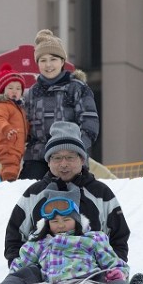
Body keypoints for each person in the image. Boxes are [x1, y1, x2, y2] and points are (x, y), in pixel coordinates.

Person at [0, 121, 143, 284]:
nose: (63, 164)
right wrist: (21, 264)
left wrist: (113, 267)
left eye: (70, 157)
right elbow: (15, 236)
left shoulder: (101, 194)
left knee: (112, 279)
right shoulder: (34, 194)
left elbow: (119, 236)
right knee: (24, 277)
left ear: (82, 159)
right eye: (57, 158)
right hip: (44, 272)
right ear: (48, 162)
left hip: (91, 271)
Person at [0, 188, 135, 284]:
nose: (60, 225)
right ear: (48, 224)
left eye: (66, 220)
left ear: (77, 220)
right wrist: (12, 279)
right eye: (54, 221)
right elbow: (21, 263)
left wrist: (118, 273)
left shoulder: (91, 239)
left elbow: (113, 261)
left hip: (83, 283)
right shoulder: (41, 242)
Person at [19, 28, 98, 180]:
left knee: (72, 194)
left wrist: (76, 149)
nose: (48, 65)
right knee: (30, 194)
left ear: (62, 61)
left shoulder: (77, 88)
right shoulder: (31, 94)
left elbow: (90, 122)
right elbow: (24, 127)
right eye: (43, 60)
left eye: (53, 59)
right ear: (37, 64)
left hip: (68, 155)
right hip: (37, 158)